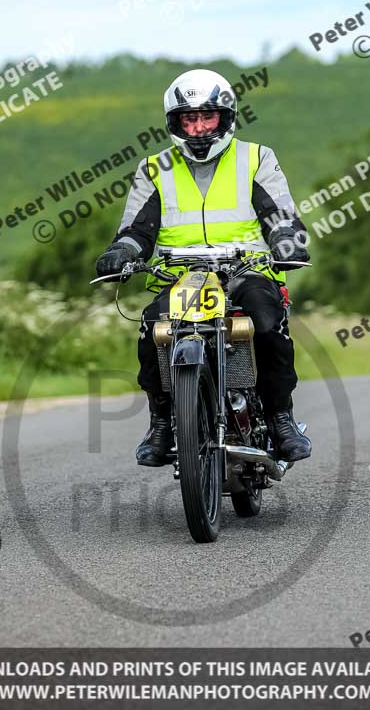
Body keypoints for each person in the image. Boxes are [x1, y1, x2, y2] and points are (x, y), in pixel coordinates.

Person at [96, 68, 311, 466]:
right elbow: (136, 230)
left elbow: (280, 215)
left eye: (206, 117)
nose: (197, 128)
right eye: (188, 119)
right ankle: (161, 422)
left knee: (266, 323)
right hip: (184, 276)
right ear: (174, 122)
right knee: (153, 325)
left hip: (247, 270)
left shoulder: (256, 157)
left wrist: (285, 241)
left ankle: (282, 417)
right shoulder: (153, 168)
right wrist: (121, 252)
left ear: (225, 117)